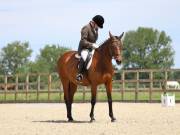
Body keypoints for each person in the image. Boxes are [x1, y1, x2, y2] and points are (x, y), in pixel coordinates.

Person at [76, 15, 104, 81]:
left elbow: (94, 40)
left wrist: (95, 46)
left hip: (91, 48)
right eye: (98, 25)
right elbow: (83, 41)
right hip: (84, 48)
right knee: (86, 57)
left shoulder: (95, 29)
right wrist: (92, 45)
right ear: (94, 23)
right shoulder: (86, 28)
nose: (98, 28)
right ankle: (80, 74)